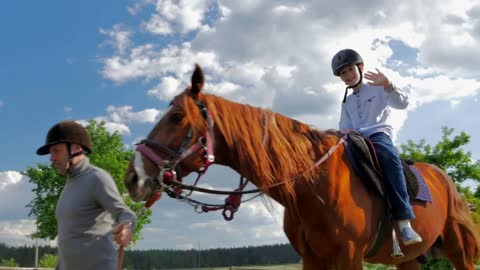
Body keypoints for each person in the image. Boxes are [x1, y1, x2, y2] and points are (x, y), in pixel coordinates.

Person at [331, 49, 422, 245]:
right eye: (343, 73)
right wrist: (344, 132)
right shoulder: (346, 102)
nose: (347, 76)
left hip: (377, 136)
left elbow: (402, 103)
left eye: (350, 70)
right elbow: (343, 125)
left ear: (360, 67)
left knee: (389, 158)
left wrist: (388, 85)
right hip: (355, 140)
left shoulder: (378, 88)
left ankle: (404, 222)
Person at [36, 120, 136, 269]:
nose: (52, 158)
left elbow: (125, 213)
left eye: (56, 151)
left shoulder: (97, 178)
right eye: (51, 153)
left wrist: (126, 228)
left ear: (76, 148)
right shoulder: (69, 184)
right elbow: (67, 242)